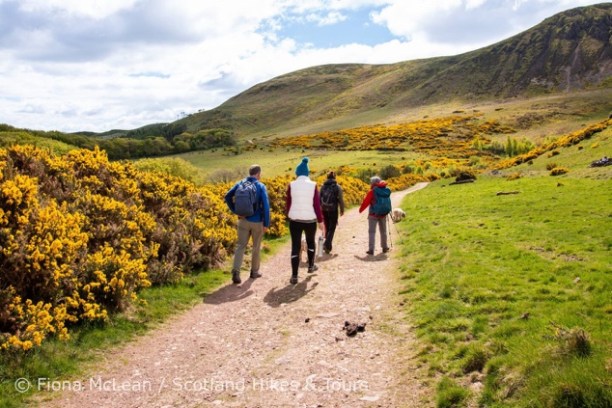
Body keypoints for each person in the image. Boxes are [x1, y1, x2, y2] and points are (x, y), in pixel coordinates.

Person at [224, 164, 271, 284]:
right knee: (256, 247)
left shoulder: (240, 184)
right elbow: (266, 206)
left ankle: (236, 272)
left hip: (243, 220)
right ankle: (254, 272)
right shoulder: (260, 186)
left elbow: (227, 196)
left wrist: (235, 211)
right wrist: (266, 223)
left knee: (240, 246)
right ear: (258, 174)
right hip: (257, 222)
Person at [285, 157, 325, 284]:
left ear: (297, 173)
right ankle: (311, 266)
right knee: (311, 242)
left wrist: (289, 215)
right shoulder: (313, 185)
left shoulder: (291, 185)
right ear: (307, 173)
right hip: (310, 220)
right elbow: (316, 205)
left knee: (295, 246)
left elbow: (288, 203)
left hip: (295, 220)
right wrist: (320, 221)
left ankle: (294, 275)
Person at [359, 175, 391, 255]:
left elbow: (366, 202)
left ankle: (371, 250)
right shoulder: (385, 190)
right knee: (383, 231)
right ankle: (384, 247)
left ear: (373, 183)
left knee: (372, 232)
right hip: (383, 214)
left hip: (373, 214)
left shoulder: (372, 191)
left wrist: (360, 210)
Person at [319, 171, 345, 254]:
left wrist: (320, 209)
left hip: (324, 209)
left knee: (327, 227)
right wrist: (342, 209)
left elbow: (319, 198)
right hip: (333, 209)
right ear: (334, 177)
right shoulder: (337, 187)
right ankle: (327, 244)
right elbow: (340, 199)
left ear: (327, 177)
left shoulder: (322, 186)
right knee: (332, 228)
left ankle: (327, 247)